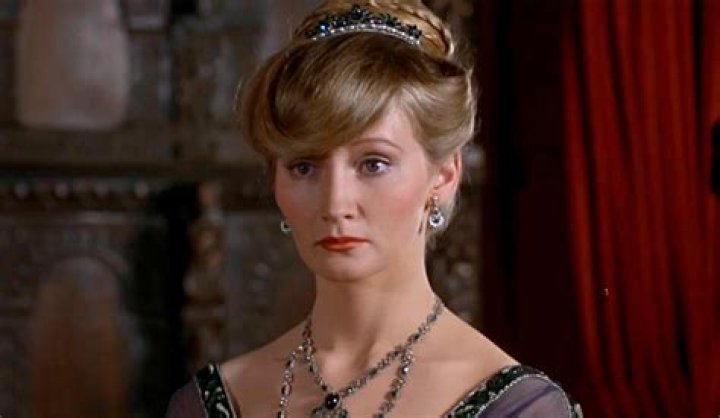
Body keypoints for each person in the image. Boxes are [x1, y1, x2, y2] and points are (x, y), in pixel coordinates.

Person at [167, 0, 583, 416]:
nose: (335, 203)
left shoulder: (517, 408)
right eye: (304, 167)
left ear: (443, 177)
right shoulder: (210, 403)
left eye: (374, 164)